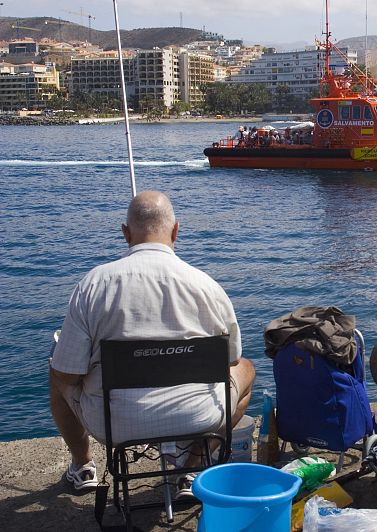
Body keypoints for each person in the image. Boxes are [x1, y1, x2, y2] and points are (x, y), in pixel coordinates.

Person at [49, 191, 255, 495]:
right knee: (246, 368)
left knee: (57, 367)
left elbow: (68, 375)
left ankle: (82, 466)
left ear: (125, 233)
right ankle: (194, 462)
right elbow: (230, 360)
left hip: (114, 425)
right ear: (176, 231)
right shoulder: (207, 286)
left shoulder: (94, 285)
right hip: (198, 416)